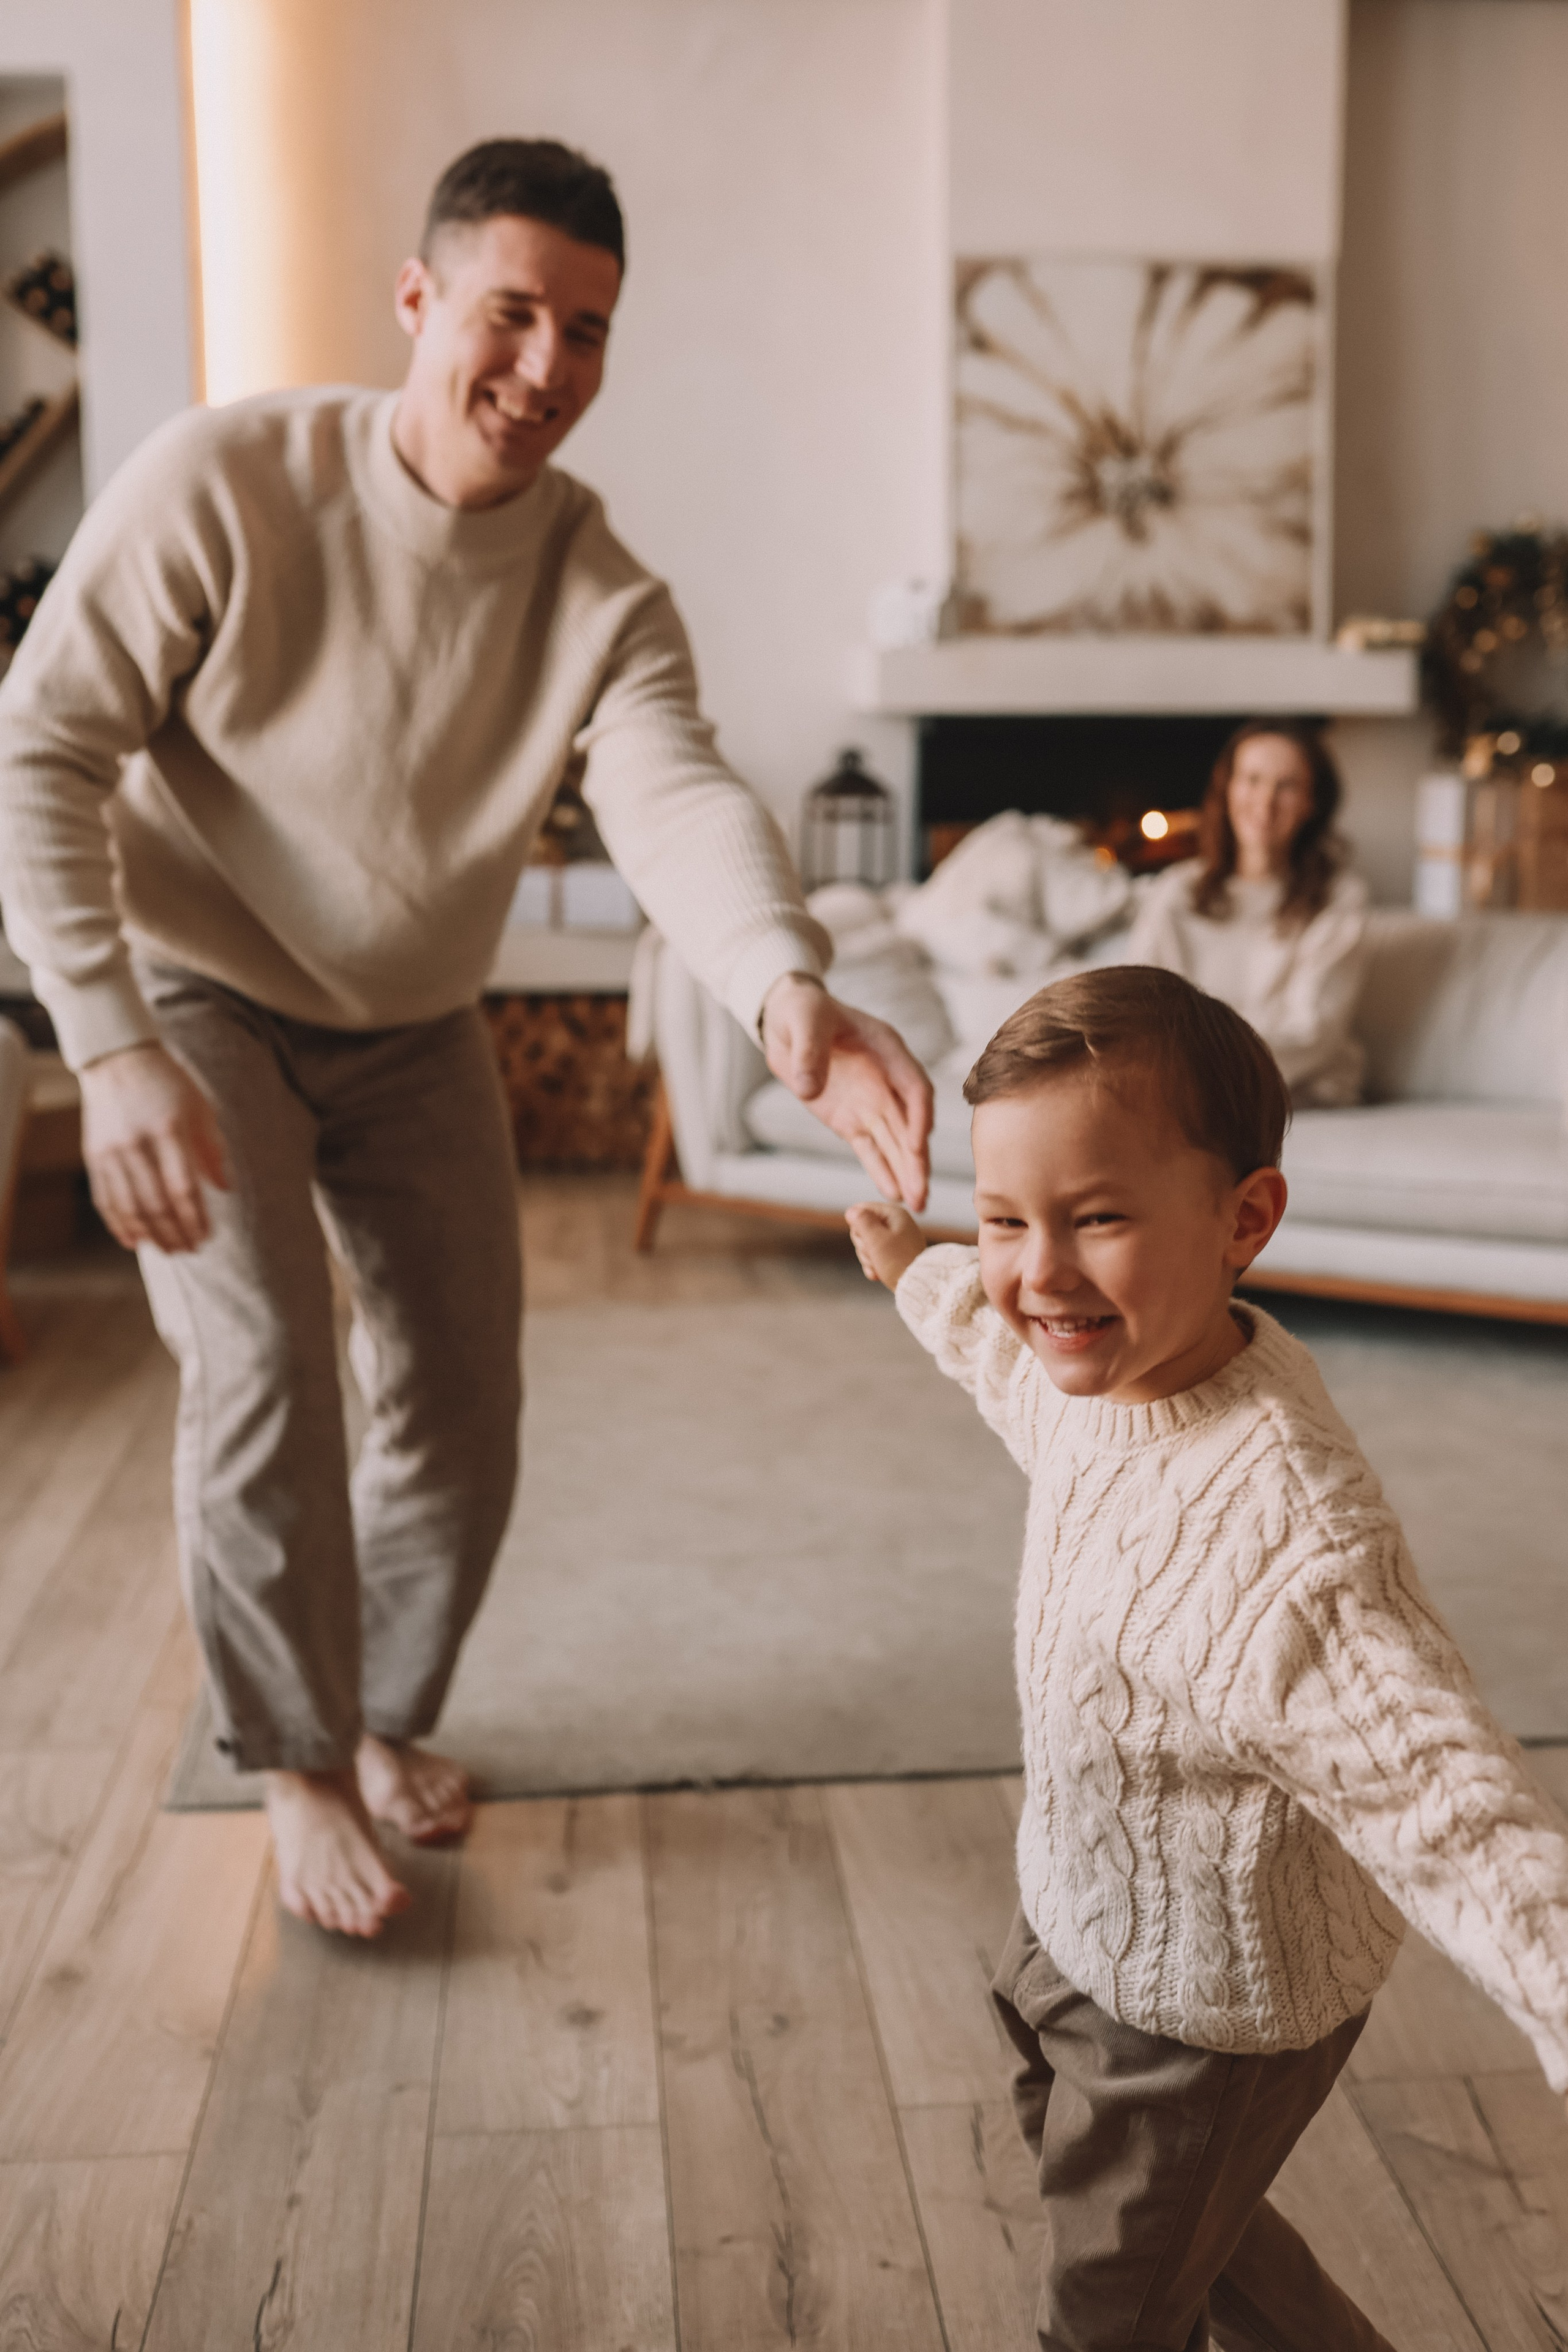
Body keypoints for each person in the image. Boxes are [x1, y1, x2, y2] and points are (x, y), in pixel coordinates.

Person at [0, 138, 932, 1940]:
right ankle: (290, 1752)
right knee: (265, 1353)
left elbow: (672, 791)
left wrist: (785, 986)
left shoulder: (598, 591)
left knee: (461, 1389)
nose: (547, 368)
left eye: (587, 330)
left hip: (413, 1016)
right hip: (190, 984)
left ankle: (382, 1709)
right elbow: (37, 744)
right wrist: (104, 1042)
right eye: (511, 312)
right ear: (418, 299)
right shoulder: (229, 481)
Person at [846, 967, 1568, 2352]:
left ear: (1243, 1215)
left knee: (1108, 2307)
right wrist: (920, 1266)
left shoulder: (1286, 1538)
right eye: (1004, 1217)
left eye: (1096, 1217)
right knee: (1095, 2148)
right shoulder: (1115, 1361)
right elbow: (1008, 1364)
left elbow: (1443, 1798)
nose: (1037, 1273)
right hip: (1085, 1900)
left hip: (1205, 2011)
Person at [1127, 720, 1369, 1104]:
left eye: (1287, 786)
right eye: (1252, 779)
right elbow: (1140, 1006)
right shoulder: (1176, 892)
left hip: (1298, 1093)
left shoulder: (1339, 899)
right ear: (1227, 790)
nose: (1266, 801)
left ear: (1312, 802)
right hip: (1188, 1091)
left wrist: (1200, 1070)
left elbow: (1312, 1036)